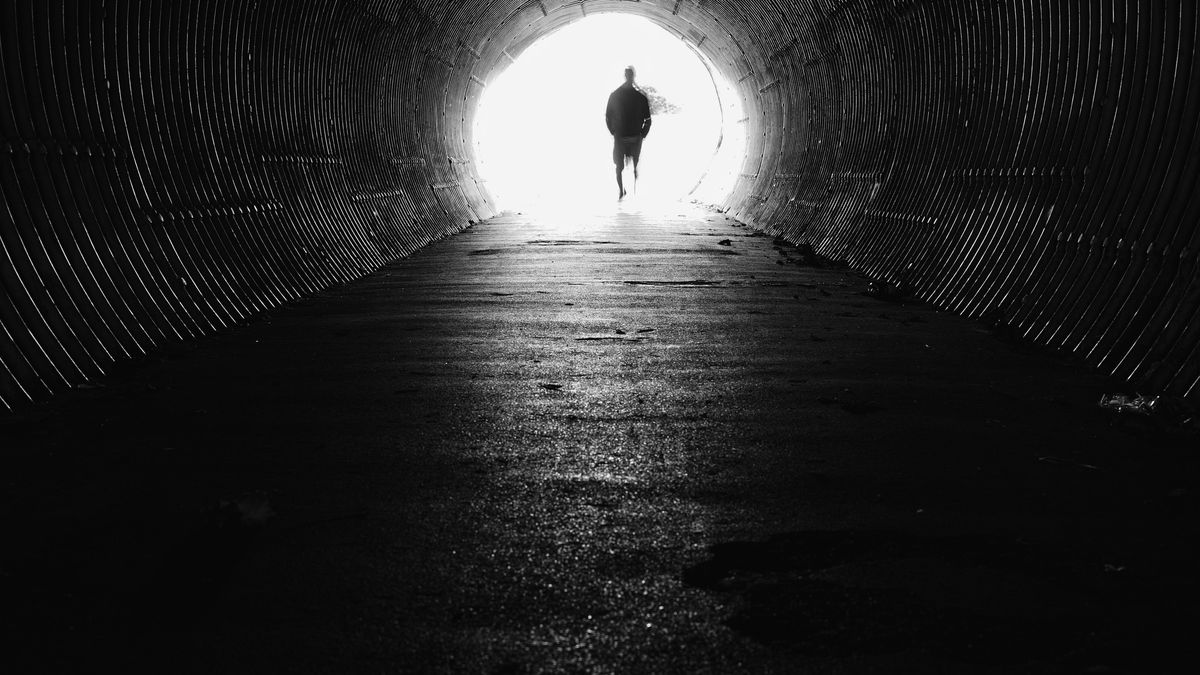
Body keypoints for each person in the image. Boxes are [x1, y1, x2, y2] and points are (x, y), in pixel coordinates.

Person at [605, 66, 652, 200]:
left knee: (620, 166)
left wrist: (613, 131)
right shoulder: (640, 97)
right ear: (631, 76)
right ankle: (627, 191)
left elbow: (608, 116)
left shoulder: (616, 95)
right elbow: (648, 119)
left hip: (624, 137)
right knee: (631, 165)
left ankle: (623, 191)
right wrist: (642, 134)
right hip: (631, 137)